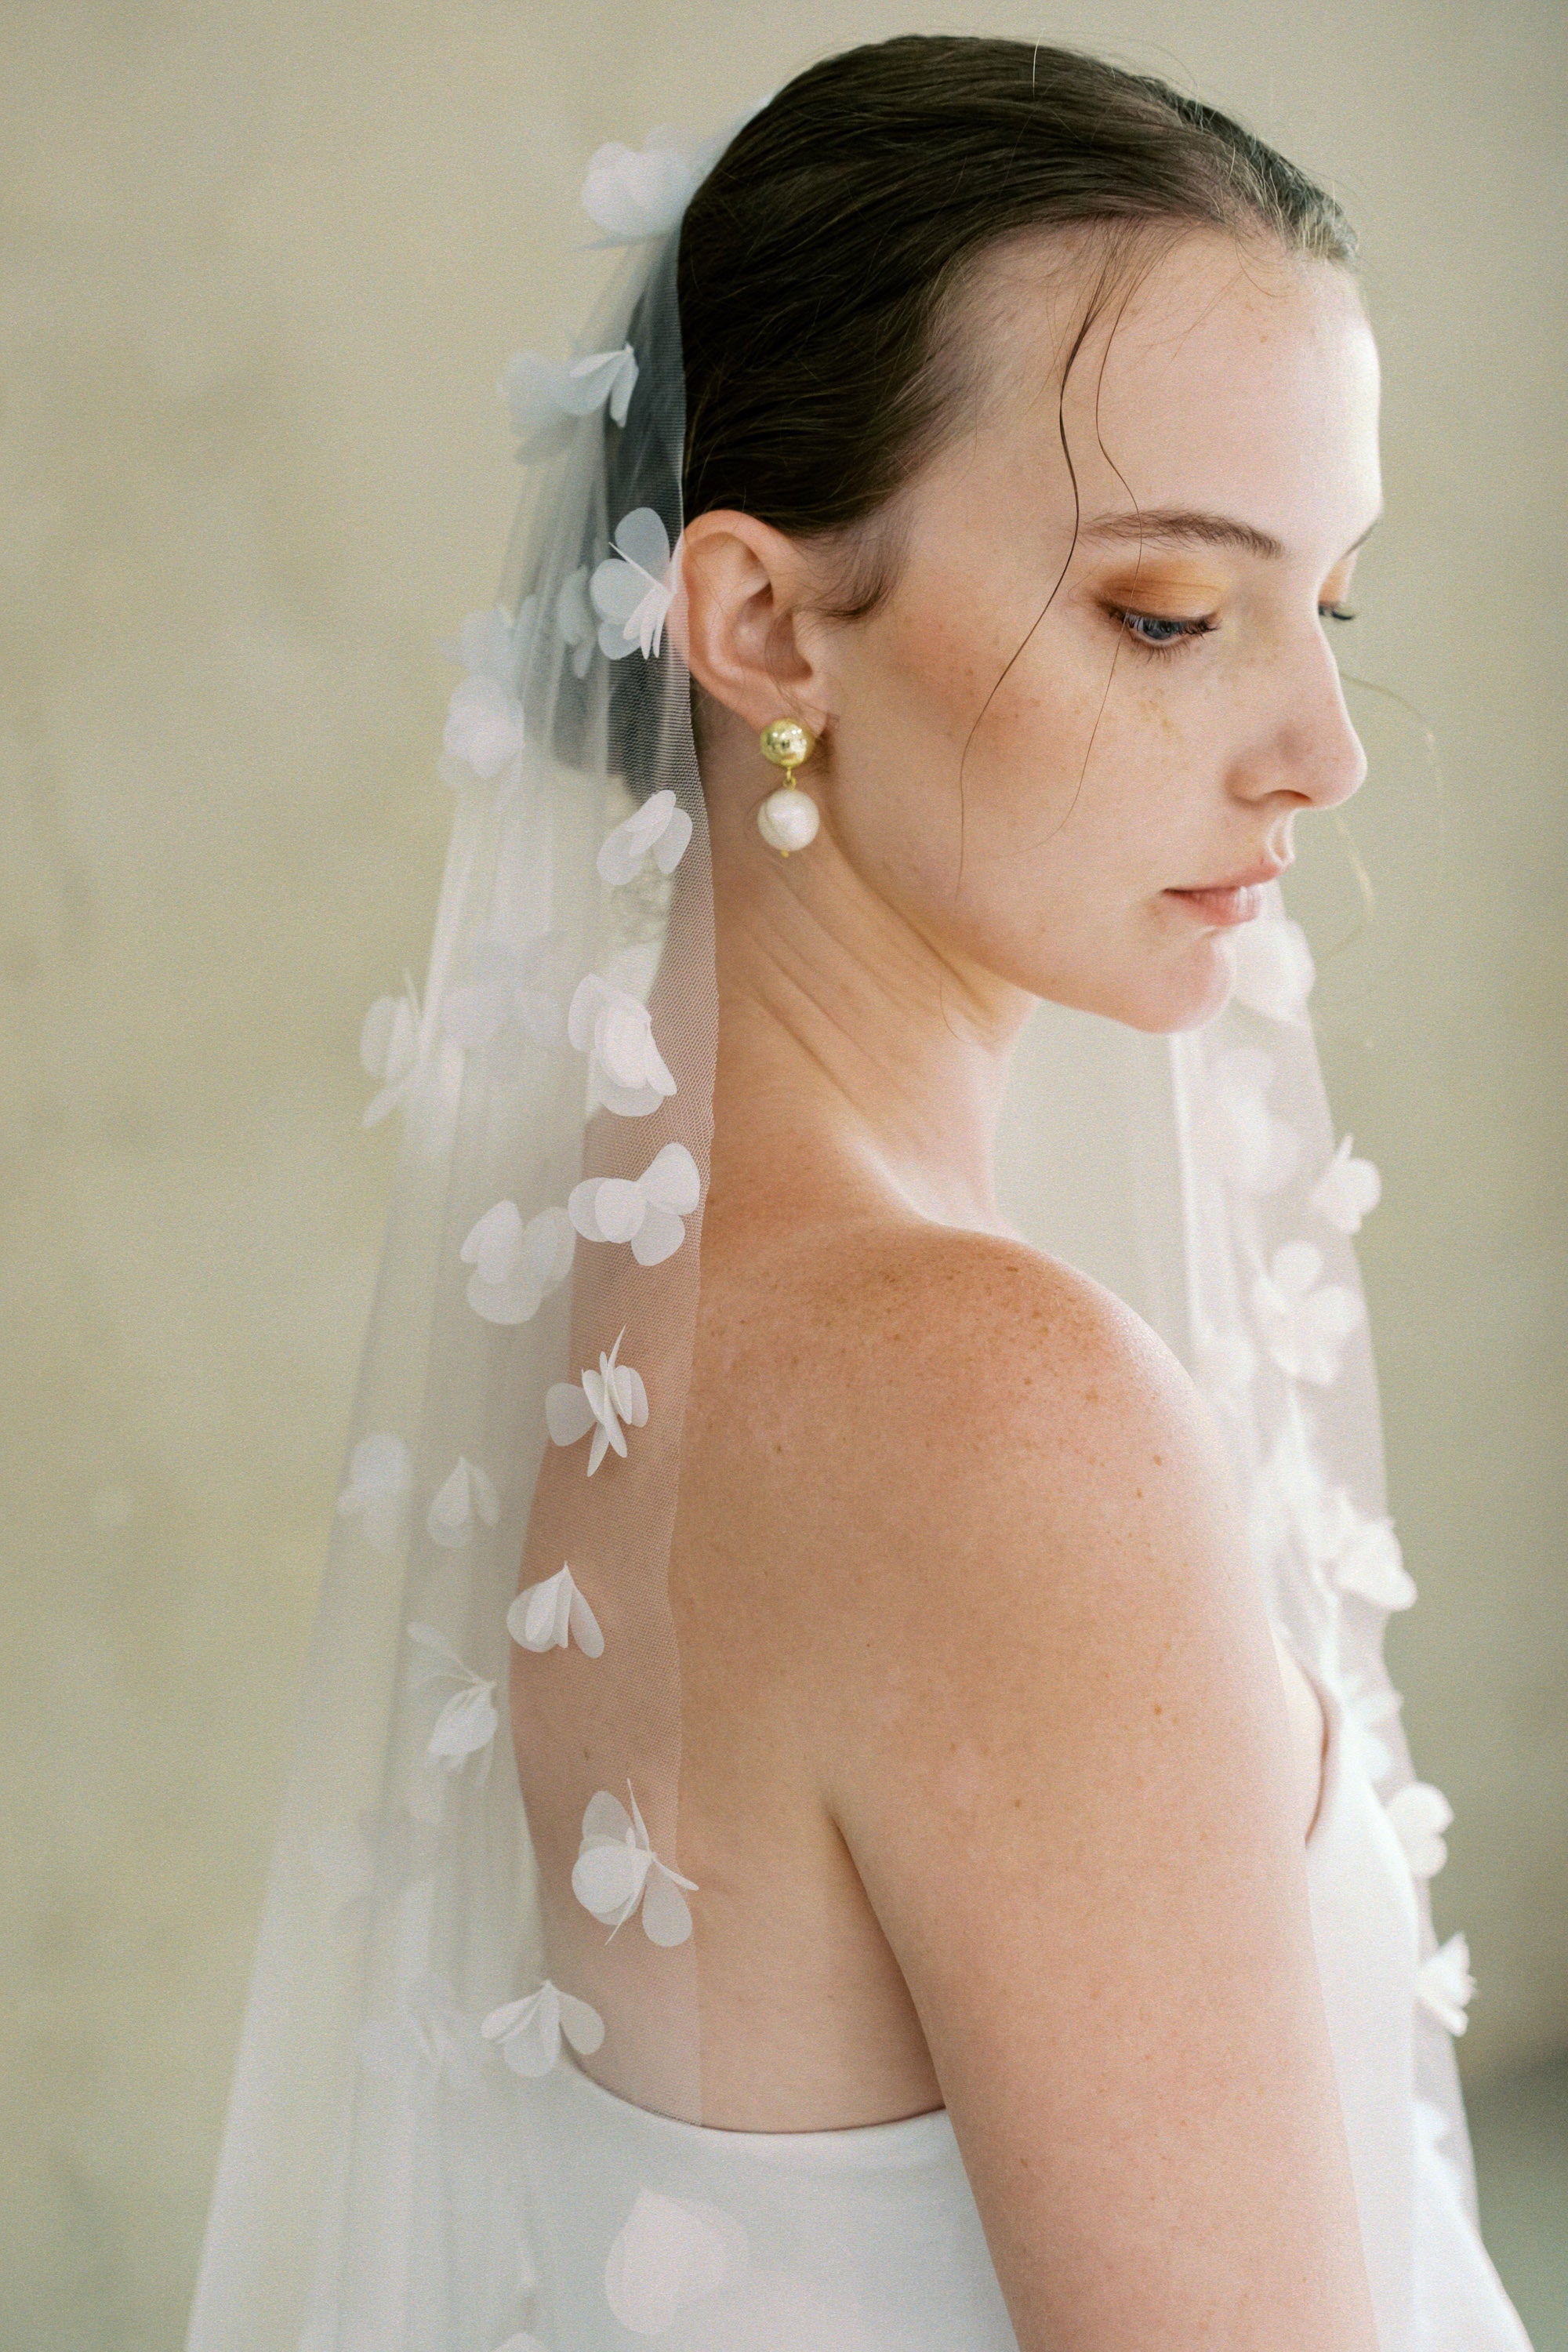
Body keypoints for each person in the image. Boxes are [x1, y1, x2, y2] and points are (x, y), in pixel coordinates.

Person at [186, 36, 1535, 2352]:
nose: (1321, 750)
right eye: (1171, 613)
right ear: (765, 629)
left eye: (1335, 603)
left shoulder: (611, 1283)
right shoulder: (989, 1415)